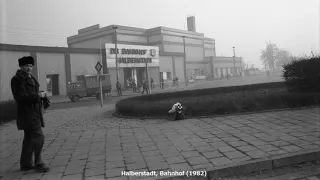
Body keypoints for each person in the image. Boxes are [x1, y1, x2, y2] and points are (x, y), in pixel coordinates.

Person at [10, 56, 50, 172]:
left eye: (31, 66)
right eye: (26, 66)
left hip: (34, 112)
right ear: (21, 66)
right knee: (39, 137)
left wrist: (40, 94)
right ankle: (39, 163)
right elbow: (20, 98)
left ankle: (26, 163)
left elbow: (31, 93)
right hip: (27, 113)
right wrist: (37, 96)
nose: (29, 68)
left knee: (29, 138)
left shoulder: (30, 77)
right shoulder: (17, 79)